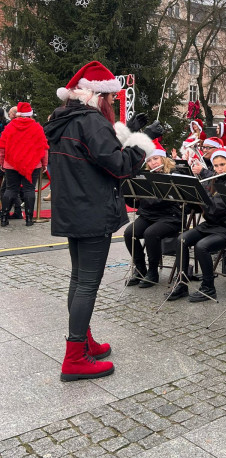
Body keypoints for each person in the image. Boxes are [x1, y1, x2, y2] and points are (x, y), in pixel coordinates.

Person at [44, 61, 156, 382]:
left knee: (79, 280)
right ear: (96, 94)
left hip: (73, 208)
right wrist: (143, 140)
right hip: (92, 210)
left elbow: (96, 153)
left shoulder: (63, 119)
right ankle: (75, 356)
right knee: (87, 284)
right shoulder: (91, 121)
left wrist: (126, 130)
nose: (110, 104)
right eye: (108, 98)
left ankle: (83, 340)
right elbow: (119, 164)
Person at [167, 148, 226, 302]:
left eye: (222, 164)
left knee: (201, 246)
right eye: (215, 166)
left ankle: (208, 288)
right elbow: (205, 209)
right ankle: (181, 284)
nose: (218, 169)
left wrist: (201, 191)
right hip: (211, 224)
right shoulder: (214, 178)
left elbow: (217, 208)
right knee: (181, 240)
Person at [124, 141, 186, 288]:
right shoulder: (144, 176)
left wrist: (146, 196)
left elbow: (164, 202)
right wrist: (130, 194)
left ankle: (153, 272)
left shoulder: (173, 174)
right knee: (129, 233)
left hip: (170, 217)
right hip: (149, 215)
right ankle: (140, 268)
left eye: (156, 159)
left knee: (150, 234)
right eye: (150, 160)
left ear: (163, 159)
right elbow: (137, 205)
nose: (153, 163)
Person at [0, 102, 49, 227]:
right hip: (32, 163)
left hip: (11, 163)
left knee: (10, 189)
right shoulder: (37, 128)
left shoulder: (10, 127)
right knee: (29, 189)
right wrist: (44, 163)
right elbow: (43, 147)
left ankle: (4, 218)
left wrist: (2, 162)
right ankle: (28, 219)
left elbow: (2, 147)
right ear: (30, 114)